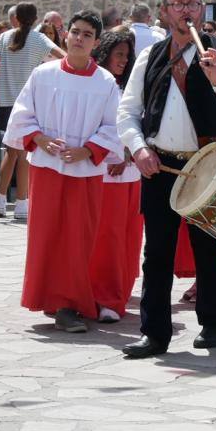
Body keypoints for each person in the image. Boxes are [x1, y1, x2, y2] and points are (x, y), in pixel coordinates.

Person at [117, 0, 216, 359]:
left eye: (193, 4)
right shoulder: (150, 56)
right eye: (178, 4)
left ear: (202, 10)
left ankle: (213, 324)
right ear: (165, 11)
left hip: (205, 162)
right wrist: (139, 149)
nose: (186, 10)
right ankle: (154, 333)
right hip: (159, 164)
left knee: (207, 247)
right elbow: (127, 112)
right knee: (157, 251)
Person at [4, 10, 124, 333]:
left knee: (78, 239)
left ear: (96, 43)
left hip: (85, 172)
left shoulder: (106, 83)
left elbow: (114, 127)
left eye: (87, 34)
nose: (79, 38)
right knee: (46, 237)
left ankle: (69, 305)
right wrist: (41, 139)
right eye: (75, 32)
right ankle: (49, 299)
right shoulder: (43, 75)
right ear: (66, 35)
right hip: (47, 169)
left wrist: (87, 150)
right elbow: (21, 115)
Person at [0, 3, 64, 221]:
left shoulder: (5, 37)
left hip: (6, 102)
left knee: (10, 151)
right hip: (28, 102)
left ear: (16, 17)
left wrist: (1, 75)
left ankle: (0, 199)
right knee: (25, 152)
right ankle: (22, 202)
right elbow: (63, 56)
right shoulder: (38, 39)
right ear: (35, 19)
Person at [88, 28, 143, 323]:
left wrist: (132, 152)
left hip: (132, 174)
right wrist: (116, 154)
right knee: (107, 237)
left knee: (129, 238)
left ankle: (119, 290)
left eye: (126, 55)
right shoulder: (97, 84)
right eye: (118, 54)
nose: (123, 60)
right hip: (106, 173)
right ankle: (103, 295)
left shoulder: (130, 86)